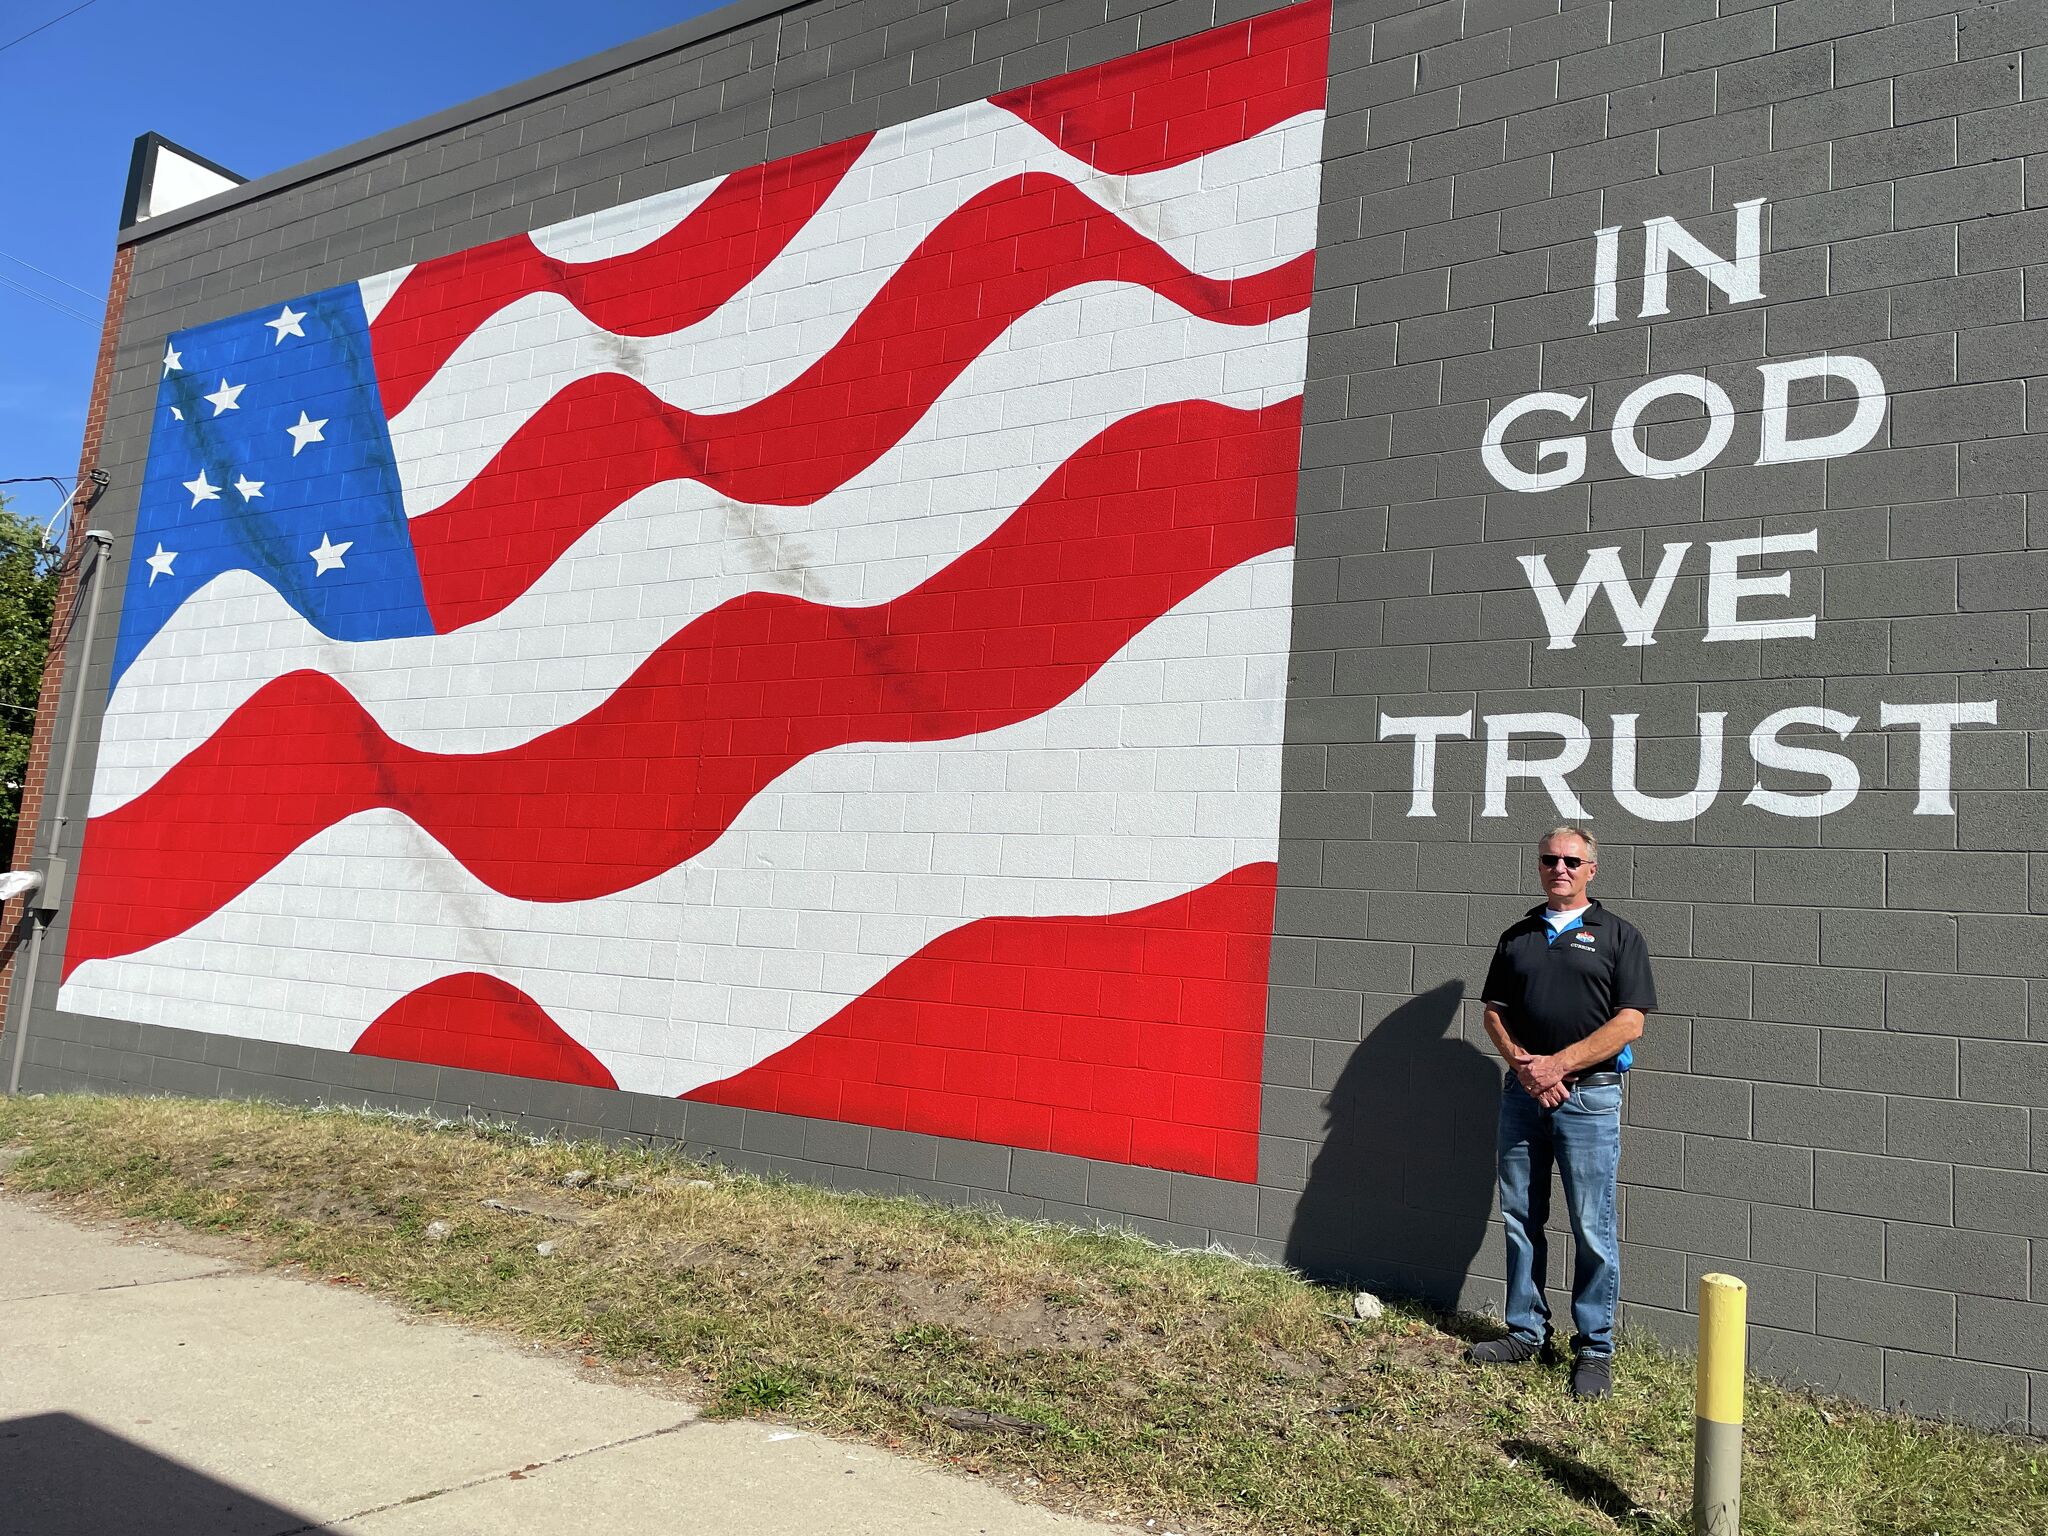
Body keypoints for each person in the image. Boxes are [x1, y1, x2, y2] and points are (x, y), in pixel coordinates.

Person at [1468, 825, 1655, 1402]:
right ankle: (1526, 1332)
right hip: (1523, 1096)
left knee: (1592, 1226)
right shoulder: (1517, 936)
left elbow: (1631, 1022)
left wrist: (1558, 1066)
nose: (1560, 868)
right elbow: (1493, 1012)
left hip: (1591, 1097)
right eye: (1550, 859)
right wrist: (1525, 1067)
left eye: (1572, 860)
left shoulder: (1619, 936)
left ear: (1591, 869)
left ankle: (1594, 1349)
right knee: (1522, 1216)